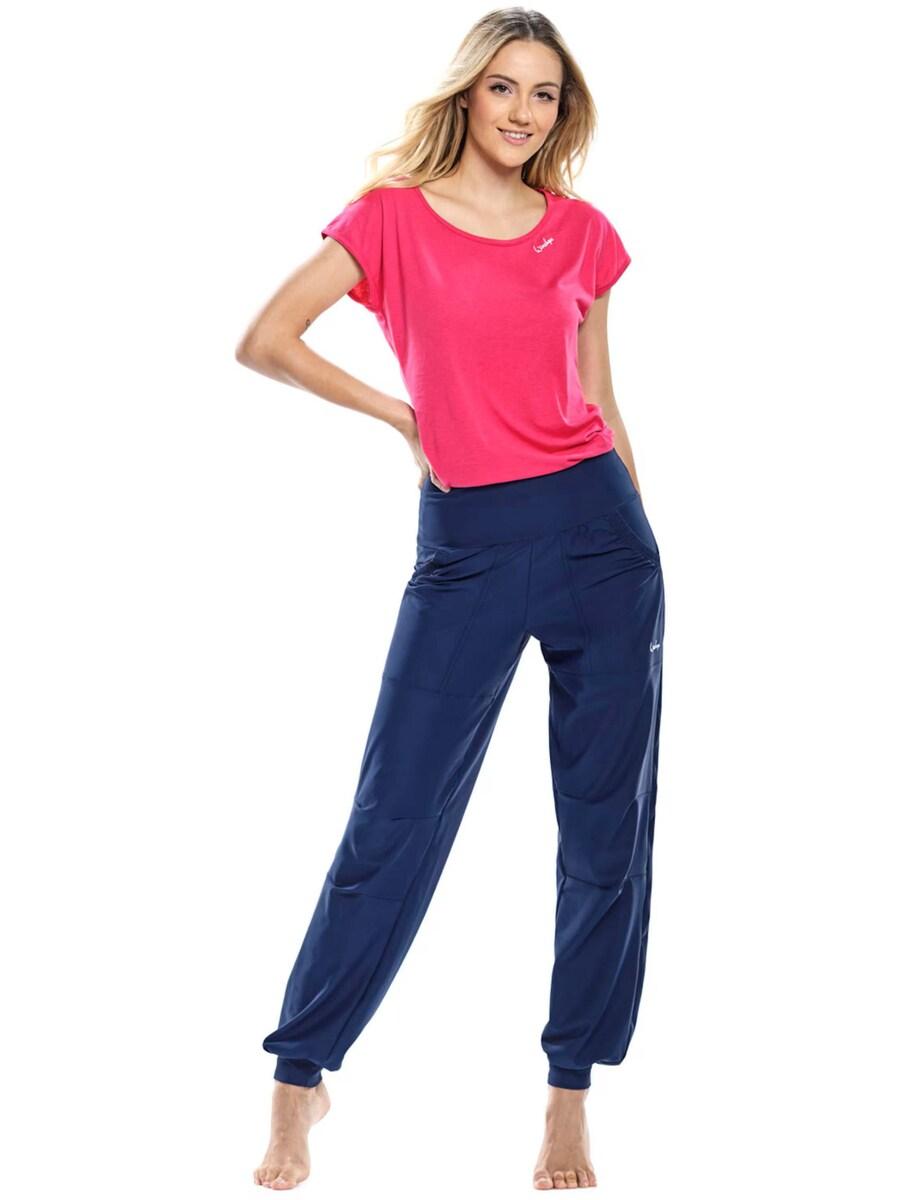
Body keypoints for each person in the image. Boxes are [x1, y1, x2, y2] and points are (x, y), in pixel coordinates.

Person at [236, 9, 664, 1191]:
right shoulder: (388, 220)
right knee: (393, 816)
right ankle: (298, 1077)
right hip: (467, 547)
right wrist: (401, 417)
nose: (524, 111)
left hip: (602, 541)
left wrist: (640, 537)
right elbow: (267, 339)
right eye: (505, 88)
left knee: (605, 828)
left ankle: (569, 1095)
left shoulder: (583, 233)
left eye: (545, 93)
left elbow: (600, 398)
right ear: (468, 96)